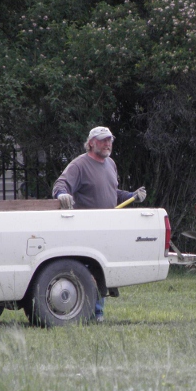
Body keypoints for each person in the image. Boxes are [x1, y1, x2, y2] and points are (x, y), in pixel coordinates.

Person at [52, 126, 146, 322]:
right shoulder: (79, 165)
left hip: (107, 227)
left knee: (102, 269)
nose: (107, 144)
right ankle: (91, 312)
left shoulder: (111, 164)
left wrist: (132, 196)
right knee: (90, 270)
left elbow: (112, 193)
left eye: (109, 140)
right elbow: (60, 185)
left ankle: (98, 313)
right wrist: (62, 195)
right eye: (103, 140)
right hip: (86, 228)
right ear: (91, 143)